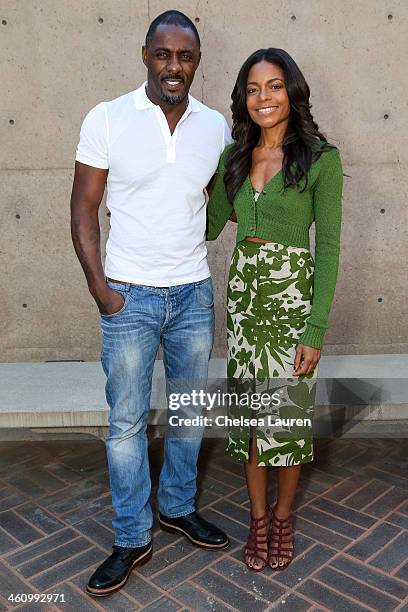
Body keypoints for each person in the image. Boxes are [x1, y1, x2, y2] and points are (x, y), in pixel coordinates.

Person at [70, 10, 231, 597]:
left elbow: (223, 197)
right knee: (126, 424)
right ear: (145, 55)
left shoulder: (216, 127)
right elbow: (84, 208)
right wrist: (101, 290)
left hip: (192, 292)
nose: (174, 66)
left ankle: (177, 507)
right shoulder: (108, 118)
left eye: (185, 56)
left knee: (189, 411)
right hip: (128, 298)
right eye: (163, 54)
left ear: (196, 61)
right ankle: (132, 535)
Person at [206, 48, 343, 572]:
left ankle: (284, 516)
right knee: (251, 421)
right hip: (245, 305)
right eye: (254, 88)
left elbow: (327, 248)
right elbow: (209, 224)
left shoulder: (321, 160)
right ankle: (257, 518)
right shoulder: (233, 159)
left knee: (285, 417)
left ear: (293, 92)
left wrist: (316, 327)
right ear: (244, 97)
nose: (264, 98)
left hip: (292, 305)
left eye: (275, 86)